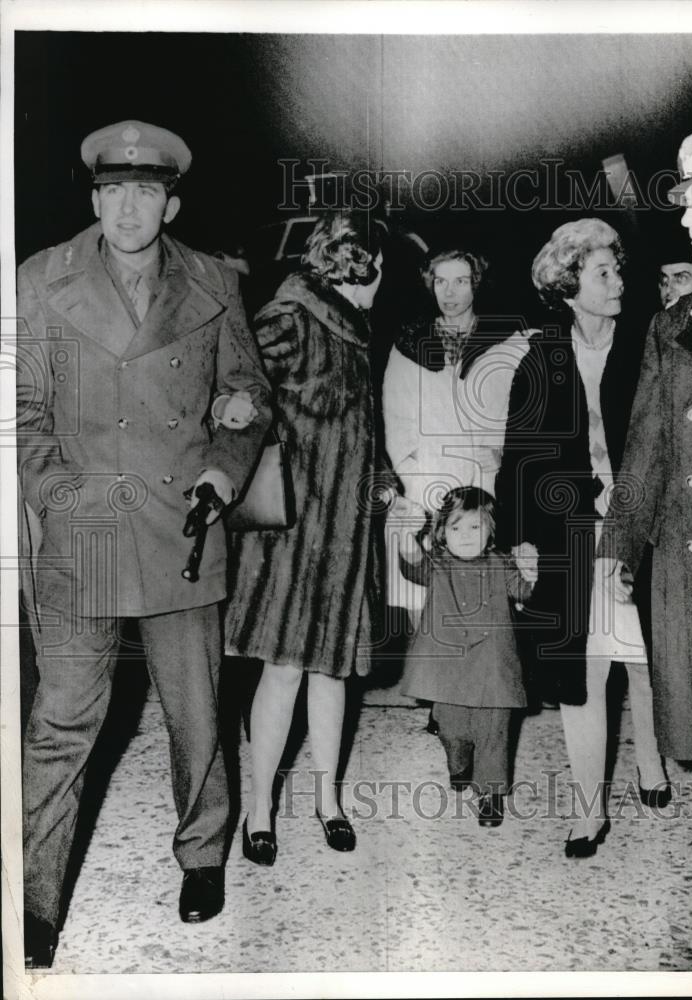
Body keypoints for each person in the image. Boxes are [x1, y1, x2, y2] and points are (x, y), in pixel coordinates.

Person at [16, 120, 270, 967]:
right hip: (83, 534)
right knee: (60, 722)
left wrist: (226, 471)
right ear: (94, 197)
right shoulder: (41, 280)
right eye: (114, 190)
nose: (130, 207)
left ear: (172, 200)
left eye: (148, 191)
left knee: (196, 717)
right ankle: (35, 901)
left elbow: (246, 395)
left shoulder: (214, 282)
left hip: (180, 529)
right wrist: (61, 497)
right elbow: (22, 417)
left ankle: (202, 858)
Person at [225, 210, 397, 864]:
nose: (385, 281)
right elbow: (242, 396)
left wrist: (379, 477)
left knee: (334, 673)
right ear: (362, 264)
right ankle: (260, 807)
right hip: (294, 536)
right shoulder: (291, 317)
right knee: (284, 671)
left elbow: (355, 423)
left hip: (345, 535)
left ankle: (328, 800)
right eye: (382, 268)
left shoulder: (350, 326)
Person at [499, 218, 669, 858]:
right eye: (604, 273)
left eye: (618, 269)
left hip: (642, 526)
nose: (619, 281)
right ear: (570, 285)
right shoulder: (543, 357)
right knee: (585, 669)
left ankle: (651, 760)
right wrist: (520, 537)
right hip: (571, 534)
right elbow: (520, 458)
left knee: (648, 660)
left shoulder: (649, 342)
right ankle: (588, 810)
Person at [382, 249, 532, 730]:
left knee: (483, 590)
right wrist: (411, 473)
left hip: (482, 479)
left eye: (461, 281)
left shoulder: (504, 341)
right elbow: (396, 415)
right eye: (441, 282)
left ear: (477, 283)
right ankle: (438, 691)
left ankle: (479, 688)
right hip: (427, 479)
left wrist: (501, 453)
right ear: (429, 284)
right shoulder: (409, 342)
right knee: (427, 588)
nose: (450, 293)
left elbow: (520, 407)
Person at [600, 132, 692, 765]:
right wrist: (620, 544)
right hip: (683, 550)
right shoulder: (671, 327)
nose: (688, 216)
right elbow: (645, 448)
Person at [396, 487, 536, 827]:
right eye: (456, 528)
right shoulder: (438, 564)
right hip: (449, 668)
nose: (466, 537)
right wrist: (405, 536)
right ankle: (459, 763)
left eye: (476, 527)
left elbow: (526, 591)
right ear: (442, 532)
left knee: (494, 732)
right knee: (452, 728)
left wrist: (533, 570)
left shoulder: (503, 563)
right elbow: (413, 567)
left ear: (491, 530)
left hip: (492, 665)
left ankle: (491, 795)